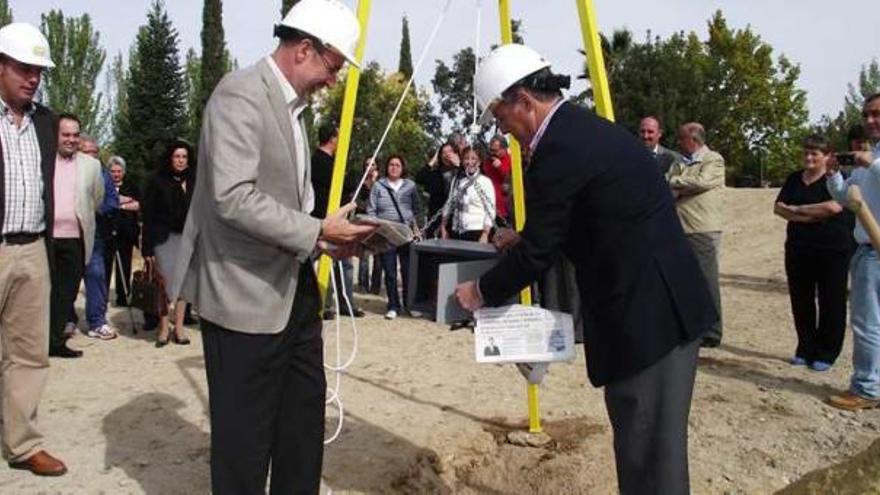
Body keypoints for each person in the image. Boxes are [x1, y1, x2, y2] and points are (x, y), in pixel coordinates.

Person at [455, 44, 716, 494]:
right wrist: (530, 237)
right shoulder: (581, 132)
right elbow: (587, 217)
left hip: (648, 319)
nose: (505, 130)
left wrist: (479, 293)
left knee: (649, 455)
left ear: (525, 102)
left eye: (502, 118)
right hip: (655, 306)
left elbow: (539, 252)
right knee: (650, 448)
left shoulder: (559, 150)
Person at [168, 1, 375, 492]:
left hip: (294, 291)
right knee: (244, 444)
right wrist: (318, 232)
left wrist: (326, 238)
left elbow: (286, 202)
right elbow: (232, 197)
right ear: (304, 49)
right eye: (333, 66)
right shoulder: (239, 94)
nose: (333, 80)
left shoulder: (294, 110)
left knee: (301, 430)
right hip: (243, 299)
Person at [0, 21, 68, 476]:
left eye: (39, 71)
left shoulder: (45, 121)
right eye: (25, 68)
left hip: (33, 248)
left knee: (28, 353)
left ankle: (22, 444)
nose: (34, 78)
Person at [774, 134, 854, 371]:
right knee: (801, 300)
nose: (808, 157)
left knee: (831, 300)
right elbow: (779, 208)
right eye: (806, 153)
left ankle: (827, 352)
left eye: (815, 154)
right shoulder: (794, 179)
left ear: (827, 156)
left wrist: (797, 210)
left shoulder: (837, 179)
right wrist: (811, 214)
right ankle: (805, 347)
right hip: (799, 249)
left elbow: (833, 206)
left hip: (833, 250)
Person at [825, 92, 880, 410]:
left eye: (876, 114)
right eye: (867, 115)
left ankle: (867, 388)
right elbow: (847, 197)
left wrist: (870, 162)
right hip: (865, 250)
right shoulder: (868, 157)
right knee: (868, 321)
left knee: (868, 322)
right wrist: (834, 174)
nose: (870, 120)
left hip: (874, 253)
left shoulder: (872, 160)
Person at [48, 114, 104, 359]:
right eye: (66, 134)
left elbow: (97, 198)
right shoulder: (44, 159)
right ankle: (34, 343)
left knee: (66, 293)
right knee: (39, 292)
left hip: (75, 239)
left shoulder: (91, 166)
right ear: (56, 135)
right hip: (45, 237)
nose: (71, 139)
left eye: (75, 135)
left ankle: (55, 342)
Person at [668, 122, 725, 347]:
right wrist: (680, 185)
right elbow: (670, 184)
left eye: (682, 139)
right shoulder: (679, 162)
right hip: (680, 228)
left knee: (707, 281)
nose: (679, 143)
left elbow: (701, 182)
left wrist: (676, 184)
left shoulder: (713, 160)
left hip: (703, 229)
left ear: (694, 140)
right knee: (686, 281)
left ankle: (712, 332)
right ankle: (692, 327)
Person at [142, 140, 194, 347]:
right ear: (170, 158)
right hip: (164, 239)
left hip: (188, 240)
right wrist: (147, 247)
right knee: (164, 285)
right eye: (177, 156)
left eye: (184, 157)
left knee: (184, 284)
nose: (181, 161)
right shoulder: (157, 181)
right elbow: (149, 215)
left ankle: (179, 327)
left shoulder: (195, 180)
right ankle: (164, 327)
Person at [311, 121, 364, 318]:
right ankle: (325, 305)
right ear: (333, 139)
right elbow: (344, 183)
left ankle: (345, 303)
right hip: (324, 220)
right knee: (325, 262)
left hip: (337, 220)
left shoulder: (331, 161)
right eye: (339, 136)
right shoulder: (319, 161)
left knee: (345, 263)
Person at [75, 134, 120, 341]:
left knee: (96, 276)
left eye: (94, 152)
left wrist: (93, 208)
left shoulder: (104, 175)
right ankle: (66, 319)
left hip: (96, 235)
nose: (91, 156)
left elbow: (112, 202)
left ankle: (97, 321)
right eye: (86, 152)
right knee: (67, 279)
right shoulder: (68, 170)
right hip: (69, 233)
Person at [368, 154, 420, 320]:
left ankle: (409, 304)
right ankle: (393, 305)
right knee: (390, 272)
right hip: (386, 233)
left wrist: (417, 226)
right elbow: (371, 209)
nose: (394, 168)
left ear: (403, 167)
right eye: (391, 164)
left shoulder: (410, 186)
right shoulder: (378, 186)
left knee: (408, 271)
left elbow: (417, 208)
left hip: (405, 233)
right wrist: (375, 227)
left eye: (398, 165)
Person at [440, 146, 496, 242]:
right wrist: (443, 226)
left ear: (479, 162)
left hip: (476, 230)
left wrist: (485, 233)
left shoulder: (485, 182)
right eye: (466, 158)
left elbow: (490, 209)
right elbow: (449, 203)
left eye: (473, 158)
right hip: (456, 230)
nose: (469, 162)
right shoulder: (457, 180)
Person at [107, 156, 141, 307]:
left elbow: (138, 204)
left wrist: (119, 204)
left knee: (125, 264)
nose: (116, 174)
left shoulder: (132, 186)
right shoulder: (104, 185)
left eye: (119, 171)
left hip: (126, 232)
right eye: (113, 171)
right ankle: (102, 295)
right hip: (107, 232)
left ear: (124, 172)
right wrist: (122, 200)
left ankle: (123, 295)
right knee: (105, 265)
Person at [415, 142, 459, 236]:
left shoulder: (461, 172)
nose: (447, 155)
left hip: (456, 219)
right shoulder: (435, 174)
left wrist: (458, 164)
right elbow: (419, 178)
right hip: (436, 218)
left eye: (450, 151)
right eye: (444, 152)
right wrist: (433, 160)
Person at [356, 158, 382, 294]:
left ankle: (376, 286)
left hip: (378, 223)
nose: (370, 167)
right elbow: (359, 203)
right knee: (364, 256)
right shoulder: (360, 184)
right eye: (367, 164)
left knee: (378, 256)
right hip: (364, 222)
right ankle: (363, 284)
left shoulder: (381, 184)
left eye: (372, 164)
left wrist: (375, 183)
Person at [482, 135, 512, 222]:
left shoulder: (512, 160)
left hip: (504, 208)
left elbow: (513, 181)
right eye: (490, 150)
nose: (492, 153)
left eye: (495, 150)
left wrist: (500, 167)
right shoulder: (487, 161)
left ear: (504, 149)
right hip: (488, 206)